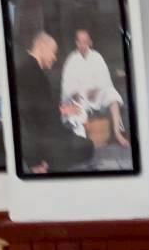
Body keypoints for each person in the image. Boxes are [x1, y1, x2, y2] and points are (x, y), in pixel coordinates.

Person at [16, 32, 93, 174]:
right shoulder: (30, 72)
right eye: (53, 52)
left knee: (83, 144)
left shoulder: (31, 69)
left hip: (43, 136)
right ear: (42, 47)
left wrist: (61, 109)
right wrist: (34, 160)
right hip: (40, 143)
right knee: (86, 147)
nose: (55, 58)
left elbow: (38, 107)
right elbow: (28, 116)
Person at [59, 29, 128, 147]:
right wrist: (76, 94)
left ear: (90, 42)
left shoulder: (97, 57)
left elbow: (105, 80)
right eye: (80, 42)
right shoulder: (71, 60)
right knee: (75, 105)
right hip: (79, 97)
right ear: (76, 43)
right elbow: (67, 85)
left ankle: (118, 133)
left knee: (112, 94)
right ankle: (83, 139)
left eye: (85, 41)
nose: (83, 44)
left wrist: (96, 90)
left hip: (96, 95)